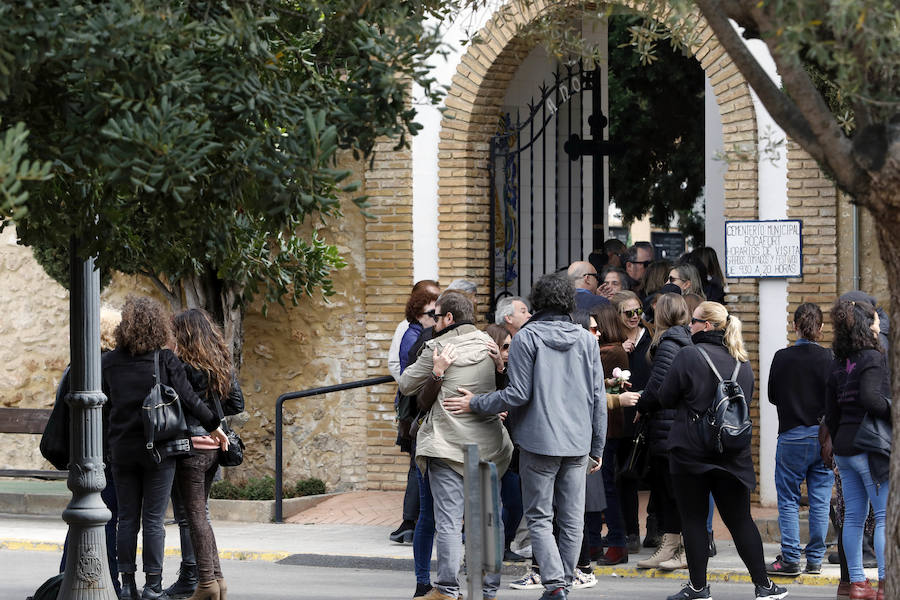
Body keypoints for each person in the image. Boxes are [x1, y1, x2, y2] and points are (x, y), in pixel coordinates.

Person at [444, 273, 607, 600]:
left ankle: (555, 583)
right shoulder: (586, 339)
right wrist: (597, 446)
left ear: (537, 301)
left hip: (538, 441)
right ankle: (565, 581)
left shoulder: (527, 338)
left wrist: (475, 402)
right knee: (573, 519)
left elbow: (517, 394)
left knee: (540, 517)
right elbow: (598, 397)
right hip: (577, 441)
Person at [658, 301, 787, 600]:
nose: (689, 326)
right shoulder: (742, 361)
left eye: (693, 321)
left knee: (693, 519)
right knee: (741, 518)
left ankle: (699, 588)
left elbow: (665, 397)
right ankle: (764, 586)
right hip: (732, 454)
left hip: (690, 452)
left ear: (707, 325)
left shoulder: (688, 355)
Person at [102, 296, 227, 600]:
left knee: (126, 519)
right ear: (158, 326)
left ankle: (128, 585)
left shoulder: (108, 362)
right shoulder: (165, 360)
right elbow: (189, 399)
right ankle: (152, 586)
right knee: (154, 521)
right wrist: (215, 427)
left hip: (121, 452)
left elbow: (104, 409)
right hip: (159, 451)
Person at [399, 292, 513, 600]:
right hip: (488, 448)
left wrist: (437, 370)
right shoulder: (490, 344)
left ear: (449, 318)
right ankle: (488, 591)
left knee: (448, 522)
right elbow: (505, 388)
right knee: (489, 521)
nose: (434, 322)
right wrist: (500, 369)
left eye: (437, 317)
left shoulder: (437, 347)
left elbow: (406, 384)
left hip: (447, 445)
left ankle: (448, 589)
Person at [43, 307, 123, 596]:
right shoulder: (111, 367)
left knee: (83, 520)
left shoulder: (76, 366)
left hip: (82, 459)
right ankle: (107, 583)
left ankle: (66, 577)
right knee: (106, 521)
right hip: (107, 460)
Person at [171, 308, 244, 600]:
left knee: (194, 516)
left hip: (191, 448)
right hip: (216, 448)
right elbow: (237, 402)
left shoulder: (180, 365)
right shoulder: (221, 360)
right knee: (203, 515)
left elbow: (178, 404)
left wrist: (200, 417)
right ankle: (218, 580)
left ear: (184, 334)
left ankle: (205, 584)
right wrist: (215, 415)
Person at [823, 299, 890, 600]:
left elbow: (831, 411)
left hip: (845, 449)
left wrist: (837, 443)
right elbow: (872, 399)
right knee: (885, 517)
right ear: (866, 325)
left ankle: (858, 585)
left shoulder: (838, 361)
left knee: (853, 518)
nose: (879, 325)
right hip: (869, 447)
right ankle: (886, 584)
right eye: (875, 320)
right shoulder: (873, 358)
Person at [766, 303, 834, 577]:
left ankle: (791, 557)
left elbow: (772, 396)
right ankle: (815, 559)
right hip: (821, 437)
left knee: (789, 499)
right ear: (820, 328)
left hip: (791, 435)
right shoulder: (829, 358)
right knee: (820, 499)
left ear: (794, 326)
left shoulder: (782, 357)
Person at [634, 293, 693, 571]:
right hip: (670, 428)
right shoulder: (681, 339)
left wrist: (640, 403)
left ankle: (684, 550)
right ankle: (670, 547)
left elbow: (657, 387)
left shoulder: (669, 342)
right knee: (667, 492)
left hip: (668, 429)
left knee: (673, 492)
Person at [390, 286, 440, 546]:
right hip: (416, 409)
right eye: (433, 311)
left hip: (414, 408)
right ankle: (410, 523)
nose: (436, 316)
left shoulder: (416, 333)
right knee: (416, 467)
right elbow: (407, 373)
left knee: (416, 466)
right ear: (422, 312)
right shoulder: (416, 336)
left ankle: (411, 523)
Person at [610, 290, 653, 552]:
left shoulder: (651, 338)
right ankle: (630, 533)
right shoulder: (612, 342)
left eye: (638, 311)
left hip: (648, 413)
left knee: (655, 474)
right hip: (621, 416)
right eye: (629, 313)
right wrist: (618, 351)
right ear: (617, 315)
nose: (635, 317)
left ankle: (656, 529)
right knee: (625, 477)